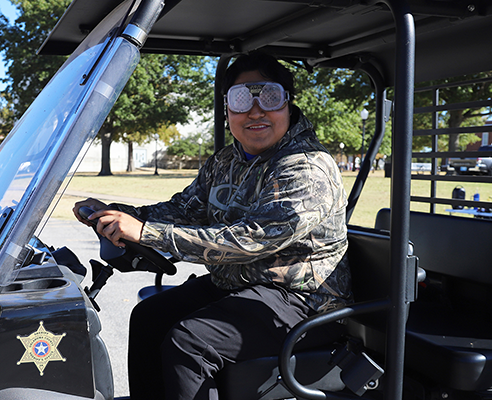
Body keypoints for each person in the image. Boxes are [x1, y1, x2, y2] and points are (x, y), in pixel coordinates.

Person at [73, 52, 350, 400]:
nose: (255, 111)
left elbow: (251, 240)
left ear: (288, 105)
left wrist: (145, 232)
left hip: (302, 301)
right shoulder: (225, 162)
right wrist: (115, 213)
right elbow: (182, 209)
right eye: (240, 99)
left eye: (269, 97)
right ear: (226, 110)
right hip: (238, 285)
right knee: (148, 317)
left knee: (191, 341)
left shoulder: (307, 167)